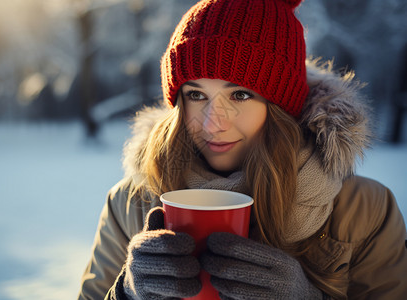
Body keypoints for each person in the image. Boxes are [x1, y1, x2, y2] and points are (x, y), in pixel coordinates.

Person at [78, 0, 407, 299]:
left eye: (239, 95)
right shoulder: (130, 203)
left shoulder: (363, 211)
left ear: (280, 107)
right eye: (196, 95)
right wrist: (125, 292)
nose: (212, 124)